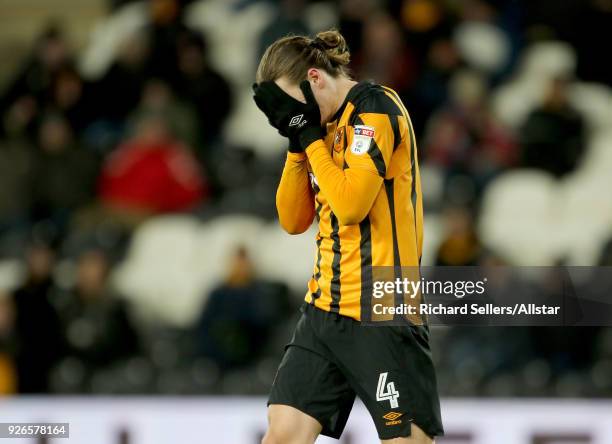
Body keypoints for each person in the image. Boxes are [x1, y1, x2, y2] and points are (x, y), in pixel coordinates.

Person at [252, 30, 443, 443]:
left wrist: (308, 138)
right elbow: (292, 219)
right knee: (282, 434)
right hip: (324, 309)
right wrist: (295, 142)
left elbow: (351, 204)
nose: (295, 116)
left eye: (295, 104)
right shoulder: (315, 131)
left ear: (316, 78)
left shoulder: (376, 109)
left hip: (382, 311)